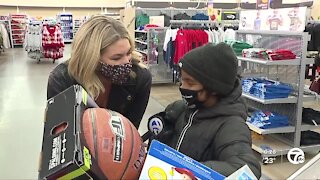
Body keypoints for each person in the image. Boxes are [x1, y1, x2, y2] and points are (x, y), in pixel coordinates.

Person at [152, 43, 261, 178]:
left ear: (213, 88)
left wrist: (193, 170)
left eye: (190, 83)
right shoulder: (183, 109)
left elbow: (248, 169)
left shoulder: (231, 126)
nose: (182, 86)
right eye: (182, 80)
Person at [47, 15, 152, 129]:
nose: (126, 62)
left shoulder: (140, 78)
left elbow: (130, 129)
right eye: (116, 58)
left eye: (128, 53)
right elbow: (59, 135)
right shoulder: (62, 79)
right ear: (92, 59)